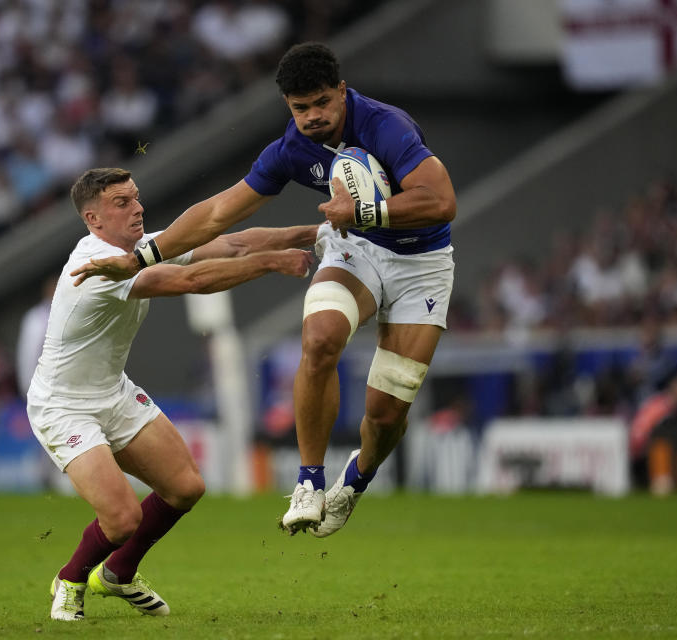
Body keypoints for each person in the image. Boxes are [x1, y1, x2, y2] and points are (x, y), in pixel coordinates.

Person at [71, 42, 457, 537]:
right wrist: (142, 256)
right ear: (287, 106)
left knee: (386, 415)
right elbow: (217, 213)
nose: (313, 116)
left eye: (322, 103)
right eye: (301, 108)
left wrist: (364, 211)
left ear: (341, 92)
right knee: (319, 340)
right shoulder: (291, 149)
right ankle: (309, 481)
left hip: (422, 264)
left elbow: (442, 201)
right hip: (354, 249)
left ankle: (357, 479)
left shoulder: (385, 126)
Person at [33, 167, 315, 621]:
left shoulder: (137, 251)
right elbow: (190, 281)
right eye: (122, 202)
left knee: (185, 487)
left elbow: (231, 242)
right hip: (64, 407)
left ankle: (118, 573)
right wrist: (272, 262)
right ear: (93, 218)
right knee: (123, 519)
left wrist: (315, 231)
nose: (138, 208)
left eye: (136, 198)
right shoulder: (95, 265)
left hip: (112, 392)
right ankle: (69, 580)